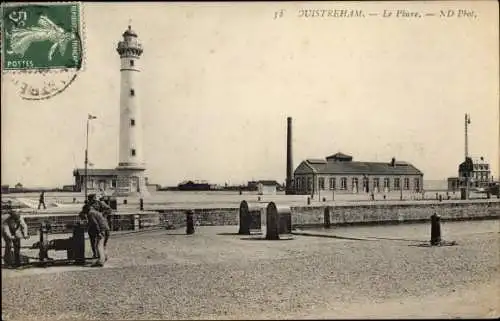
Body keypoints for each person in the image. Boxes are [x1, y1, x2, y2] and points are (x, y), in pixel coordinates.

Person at [79, 194, 111, 266]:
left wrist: (102, 215)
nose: (92, 200)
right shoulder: (88, 206)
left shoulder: (99, 204)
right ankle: (99, 256)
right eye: (91, 199)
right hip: (97, 227)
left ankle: (101, 260)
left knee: (100, 245)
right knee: (95, 243)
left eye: (93, 199)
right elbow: (82, 213)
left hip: (100, 226)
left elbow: (108, 210)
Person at [2, 201, 29, 267]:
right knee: (8, 244)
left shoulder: (20, 218)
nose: (17, 220)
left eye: (17, 218)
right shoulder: (6, 219)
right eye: (15, 219)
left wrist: (25, 234)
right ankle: (7, 262)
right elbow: (6, 230)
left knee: (17, 246)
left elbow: (24, 226)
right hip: (5, 230)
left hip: (15, 230)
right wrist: (11, 237)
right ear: (12, 217)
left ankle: (17, 262)